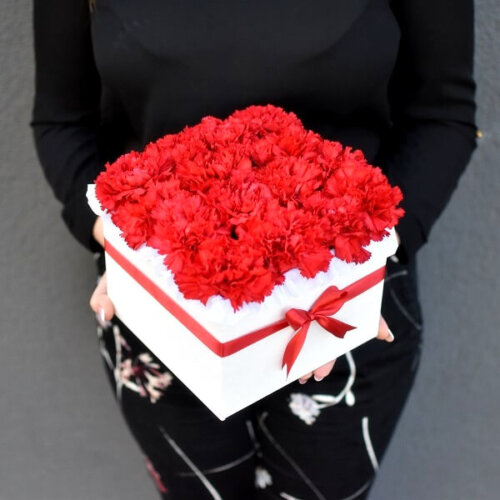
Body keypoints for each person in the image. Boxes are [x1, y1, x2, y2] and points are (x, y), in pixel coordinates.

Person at [30, 0, 478, 498]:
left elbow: (442, 115)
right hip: (161, 315)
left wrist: (365, 268)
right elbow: (60, 122)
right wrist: (131, 254)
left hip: (345, 312)